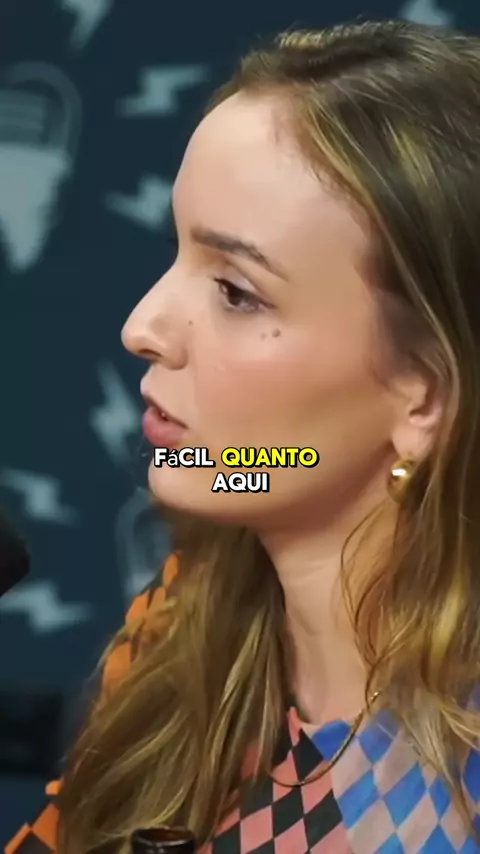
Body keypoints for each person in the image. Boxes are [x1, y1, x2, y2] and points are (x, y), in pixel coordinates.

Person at [7, 18, 480, 854]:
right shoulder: (181, 630)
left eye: (236, 291)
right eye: (178, 253)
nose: (144, 326)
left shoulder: (449, 799)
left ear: (425, 397)